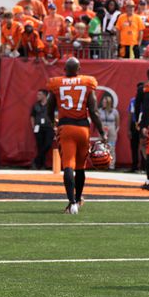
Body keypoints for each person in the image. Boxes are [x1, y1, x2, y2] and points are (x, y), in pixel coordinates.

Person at [47, 58, 107, 214]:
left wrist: (52, 122)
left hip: (66, 127)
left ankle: (72, 203)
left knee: (68, 165)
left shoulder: (57, 83)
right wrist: (101, 132)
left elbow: (49, 107)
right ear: (79, 69)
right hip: (82, 128)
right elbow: (93, 111)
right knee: (80, 167)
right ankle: (78, 199)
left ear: (65, 69)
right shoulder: (87, 83)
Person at [30, 89, 54, 169]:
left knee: (48, 144)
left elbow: (56, 114)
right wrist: (33, 126)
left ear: (44, 95)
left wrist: (55, 126)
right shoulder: (35, 105)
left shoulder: (51, 104)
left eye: (39, 94)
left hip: (49, 127)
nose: (37, 96)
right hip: (38, 127)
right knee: (40, 146)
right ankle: (41, 165)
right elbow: (32, 116)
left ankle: (36, 161)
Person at [97, 93, 120, 170]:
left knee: (111, 147)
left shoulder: (114, 111)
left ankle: (111, 165)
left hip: (112, 129)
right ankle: (102, 164)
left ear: (109, 103)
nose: (103, 103)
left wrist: (115, 131)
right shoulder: (100, 111)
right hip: (102, 129)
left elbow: (117, 122)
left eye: (105, 102)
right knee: (101, 147)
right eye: (103, 102)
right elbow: (98, 121)